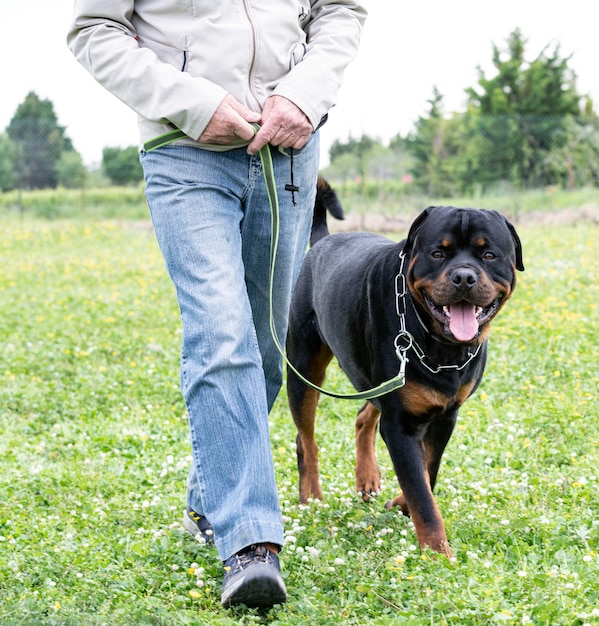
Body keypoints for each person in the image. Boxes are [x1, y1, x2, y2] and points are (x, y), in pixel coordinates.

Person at [67, 0, 366, 609]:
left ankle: (209, 503)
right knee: (221, 333)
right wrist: (196, 104)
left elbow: (340, 10)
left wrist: (304, 96)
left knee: (262, 347)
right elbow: (94, 29)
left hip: (288, 152)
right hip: (185, 151)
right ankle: (251, 544)